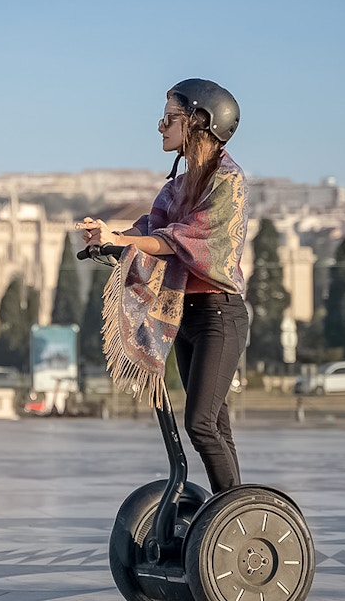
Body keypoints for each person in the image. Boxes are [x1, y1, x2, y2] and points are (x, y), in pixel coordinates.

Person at [78, 78, 249, 493]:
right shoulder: (178, 184)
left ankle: (233, 512)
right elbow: (151, 227)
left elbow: (183, 238)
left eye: (170, 118)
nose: (161, 126)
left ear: (200, 122)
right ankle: (230, 510)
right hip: (187, 317)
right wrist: (110, 236)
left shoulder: (227, 181)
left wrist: (124, 241)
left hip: (220, 314)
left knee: (201, 424)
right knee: (215, 426)